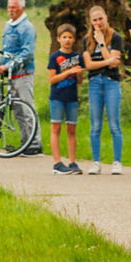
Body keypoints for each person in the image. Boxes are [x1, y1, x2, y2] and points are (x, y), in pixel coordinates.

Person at [0, 0, 42, 157]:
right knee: (17, 111)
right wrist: (1, 66)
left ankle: (35, 143)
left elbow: (27, 52)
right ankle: (25, 142)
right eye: (9, 7)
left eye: (14, 7)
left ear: (22, 8)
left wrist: (8, 65)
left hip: (23, 73)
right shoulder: (8, 26)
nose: (10, 10)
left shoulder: (26, 28)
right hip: (11, 75)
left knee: (27, 107)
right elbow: (6, 50)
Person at [82, 6, 124, 175]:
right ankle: (96, 162)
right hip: (94, 83)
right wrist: (107, 61)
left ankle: (117, 162)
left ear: (106, 18)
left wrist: (101, 42)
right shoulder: (86, 39)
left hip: (111, 82)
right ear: (90, 21)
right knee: (95, 126)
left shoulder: (116, 37)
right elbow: (89, 65)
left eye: (100, 19)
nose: (98, 23)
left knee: (114, 125)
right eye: (94, 20)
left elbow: (114, 63)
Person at [47, 24, 84, 174]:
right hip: (57, 97)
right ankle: (57, 163)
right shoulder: (55, 57)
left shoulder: (77, 57)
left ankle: (72, 162)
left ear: (74, 39)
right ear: (58, 39)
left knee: (71, 129)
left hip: (72, 97)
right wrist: (69, 71)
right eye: (64, 37)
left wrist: (78, 73)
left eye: (70, 37)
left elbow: (79, 81)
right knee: (56, 128)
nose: (67, 40)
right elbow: (52, 79)